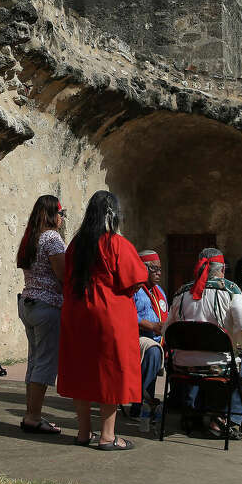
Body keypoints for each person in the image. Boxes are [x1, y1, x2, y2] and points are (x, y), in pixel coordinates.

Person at [57, 191, 147, 451]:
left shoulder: (76, 244)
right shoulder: (115, 243)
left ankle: (84, 432)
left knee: (82, 370)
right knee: (111, 371)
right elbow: (136, 278)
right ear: (112, 214)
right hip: (109, 314)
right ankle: (108, 435)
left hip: (77, 312)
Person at [163, 248, 242, 440]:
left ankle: (193, 413)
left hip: (181, 365)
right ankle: (225, 420)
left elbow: (167, 330)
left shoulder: (181, 292)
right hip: (218, 366)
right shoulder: (230, 290)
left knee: (209, 363)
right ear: (222, 269)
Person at [16, 194, 68, 435]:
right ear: (51, 214)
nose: (62, 217)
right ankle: (34, 416)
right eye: (60, 213)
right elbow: (63, 274)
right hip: (47, 306)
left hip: (29, 303)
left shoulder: (32, 237)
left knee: (35, 361)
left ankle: (30, 414)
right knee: (45, 363)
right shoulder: (51, 238)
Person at [128, 250, 167, 422]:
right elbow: (128, 314)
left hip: (158, 338)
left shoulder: (159, 291)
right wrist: (151, 325)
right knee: (153, 351)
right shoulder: (135, 289)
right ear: (142, 269)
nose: (159, 273)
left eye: (160, 269)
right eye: (154, 269)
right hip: (136, 336)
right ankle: (140, 403)